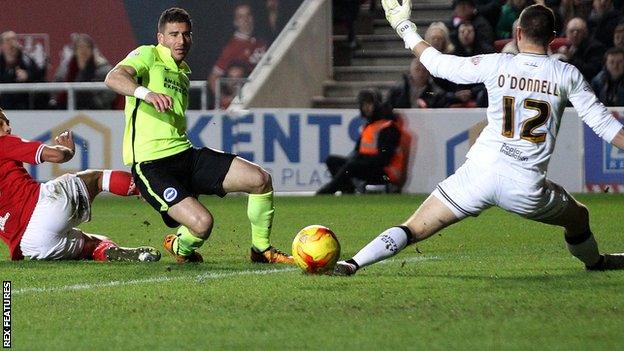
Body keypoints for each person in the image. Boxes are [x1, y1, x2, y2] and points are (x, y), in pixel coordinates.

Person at [333, 1, 624, 276]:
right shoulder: (566, 74)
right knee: (578, 217)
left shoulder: (497, 64)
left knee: (414, 228)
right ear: (552, 37)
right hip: (525, 187)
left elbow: (438, 65)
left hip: (479, 174)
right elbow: (604, 126)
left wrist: (404, 28)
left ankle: (352, 262)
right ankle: (596, 262)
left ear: (518, 32)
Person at [104, 7, 292, 264]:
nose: (180, 40)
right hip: (152, 165)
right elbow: (114, 77)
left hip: (185, 155)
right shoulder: (148, 55)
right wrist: (145, 94)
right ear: (161, 38)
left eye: (185, 34)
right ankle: (180, 247)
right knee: (203, 224)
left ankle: (261, 250)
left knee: (259, 179)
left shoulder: (183, 72)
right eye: (173, 34)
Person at [0, 109, 160, 262]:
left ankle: (113, 252)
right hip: (43, 206)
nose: (8, 128)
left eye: (7, 122)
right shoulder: (3, 143)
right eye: (1, 124)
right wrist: (68, 150)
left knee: (97, 243)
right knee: (98, 178)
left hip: (31, 244)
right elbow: (58, 156)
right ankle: (151, 189)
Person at [317, 89, 409, 195]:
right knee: (332, 161)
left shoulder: (388, 127)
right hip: (373, 167)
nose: (366, 108)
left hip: (387, 173)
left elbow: (384, 159)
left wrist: (359, 162)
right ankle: (347, 190)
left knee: (351, 166)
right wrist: (358, 161)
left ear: (377, 104)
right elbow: (358, 151)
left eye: (369, 104)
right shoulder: (369, 126)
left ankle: (327, 191)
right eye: (364, 104)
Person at [208, 4, 268, 96]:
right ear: (235, 22)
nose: (246, 19)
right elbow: (213, 78)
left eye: (248, 15)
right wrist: (224, 101)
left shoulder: (261, 42)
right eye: (241, 16)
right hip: (244, 99)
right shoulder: (232, 47)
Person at [51, 33, 115, 110]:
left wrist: (97, 102)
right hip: (68, 110)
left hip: (96, 111)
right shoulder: (65, 69)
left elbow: (111, 91)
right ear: (75, 50)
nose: (83, 51)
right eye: (80, 47)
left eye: (87, 47)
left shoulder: (103, 69)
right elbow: (55, 87)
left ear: (92, 50)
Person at [0, 31, 45, 110]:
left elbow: (38, 76)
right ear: (2, 45)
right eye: (8, 40)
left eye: (14, 39)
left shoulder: (26, 60)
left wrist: (27, 75)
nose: (12, 43)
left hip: (24, 104)